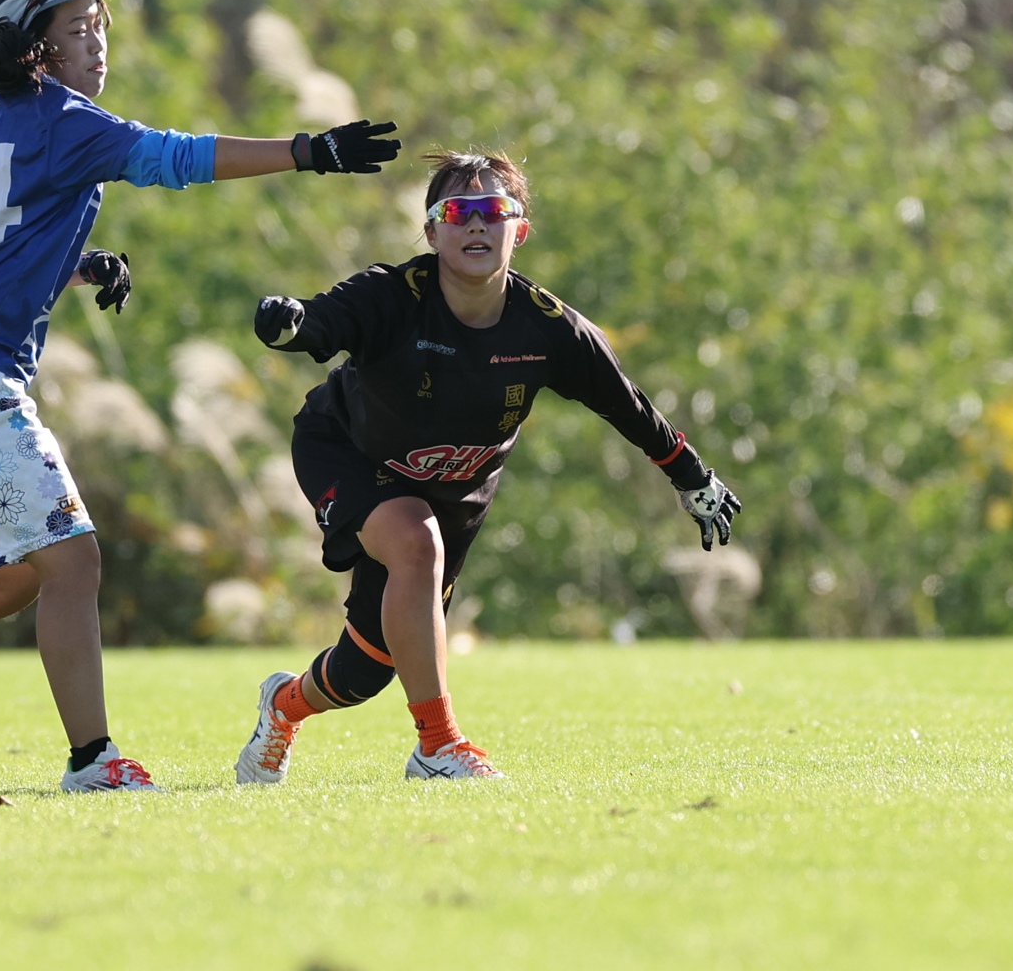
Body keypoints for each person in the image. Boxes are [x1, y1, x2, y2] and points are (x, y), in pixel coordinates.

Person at [0, 0, 399, 792]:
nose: (98, 42)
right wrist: (308, 150)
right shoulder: (65, 118)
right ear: (32, 48)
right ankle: (93, 760)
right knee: (73, 562)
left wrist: (75, 266)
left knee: (9, 578)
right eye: (78, 29)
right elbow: (175, 158)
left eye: (99, 26)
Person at [232, 149, 741, 783]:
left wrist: (692, 475)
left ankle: (283, 706)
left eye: (493, 210)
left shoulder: (551, 329)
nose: (476, 223)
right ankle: (438, 746)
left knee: (365, 669)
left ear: (518, 230)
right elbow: (324, 320)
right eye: (457, 212)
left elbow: (627, 405)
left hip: (456, 491)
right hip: (346, 449)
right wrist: (292, 324)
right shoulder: (392, 294)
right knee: (415, 542)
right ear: (431, 232)